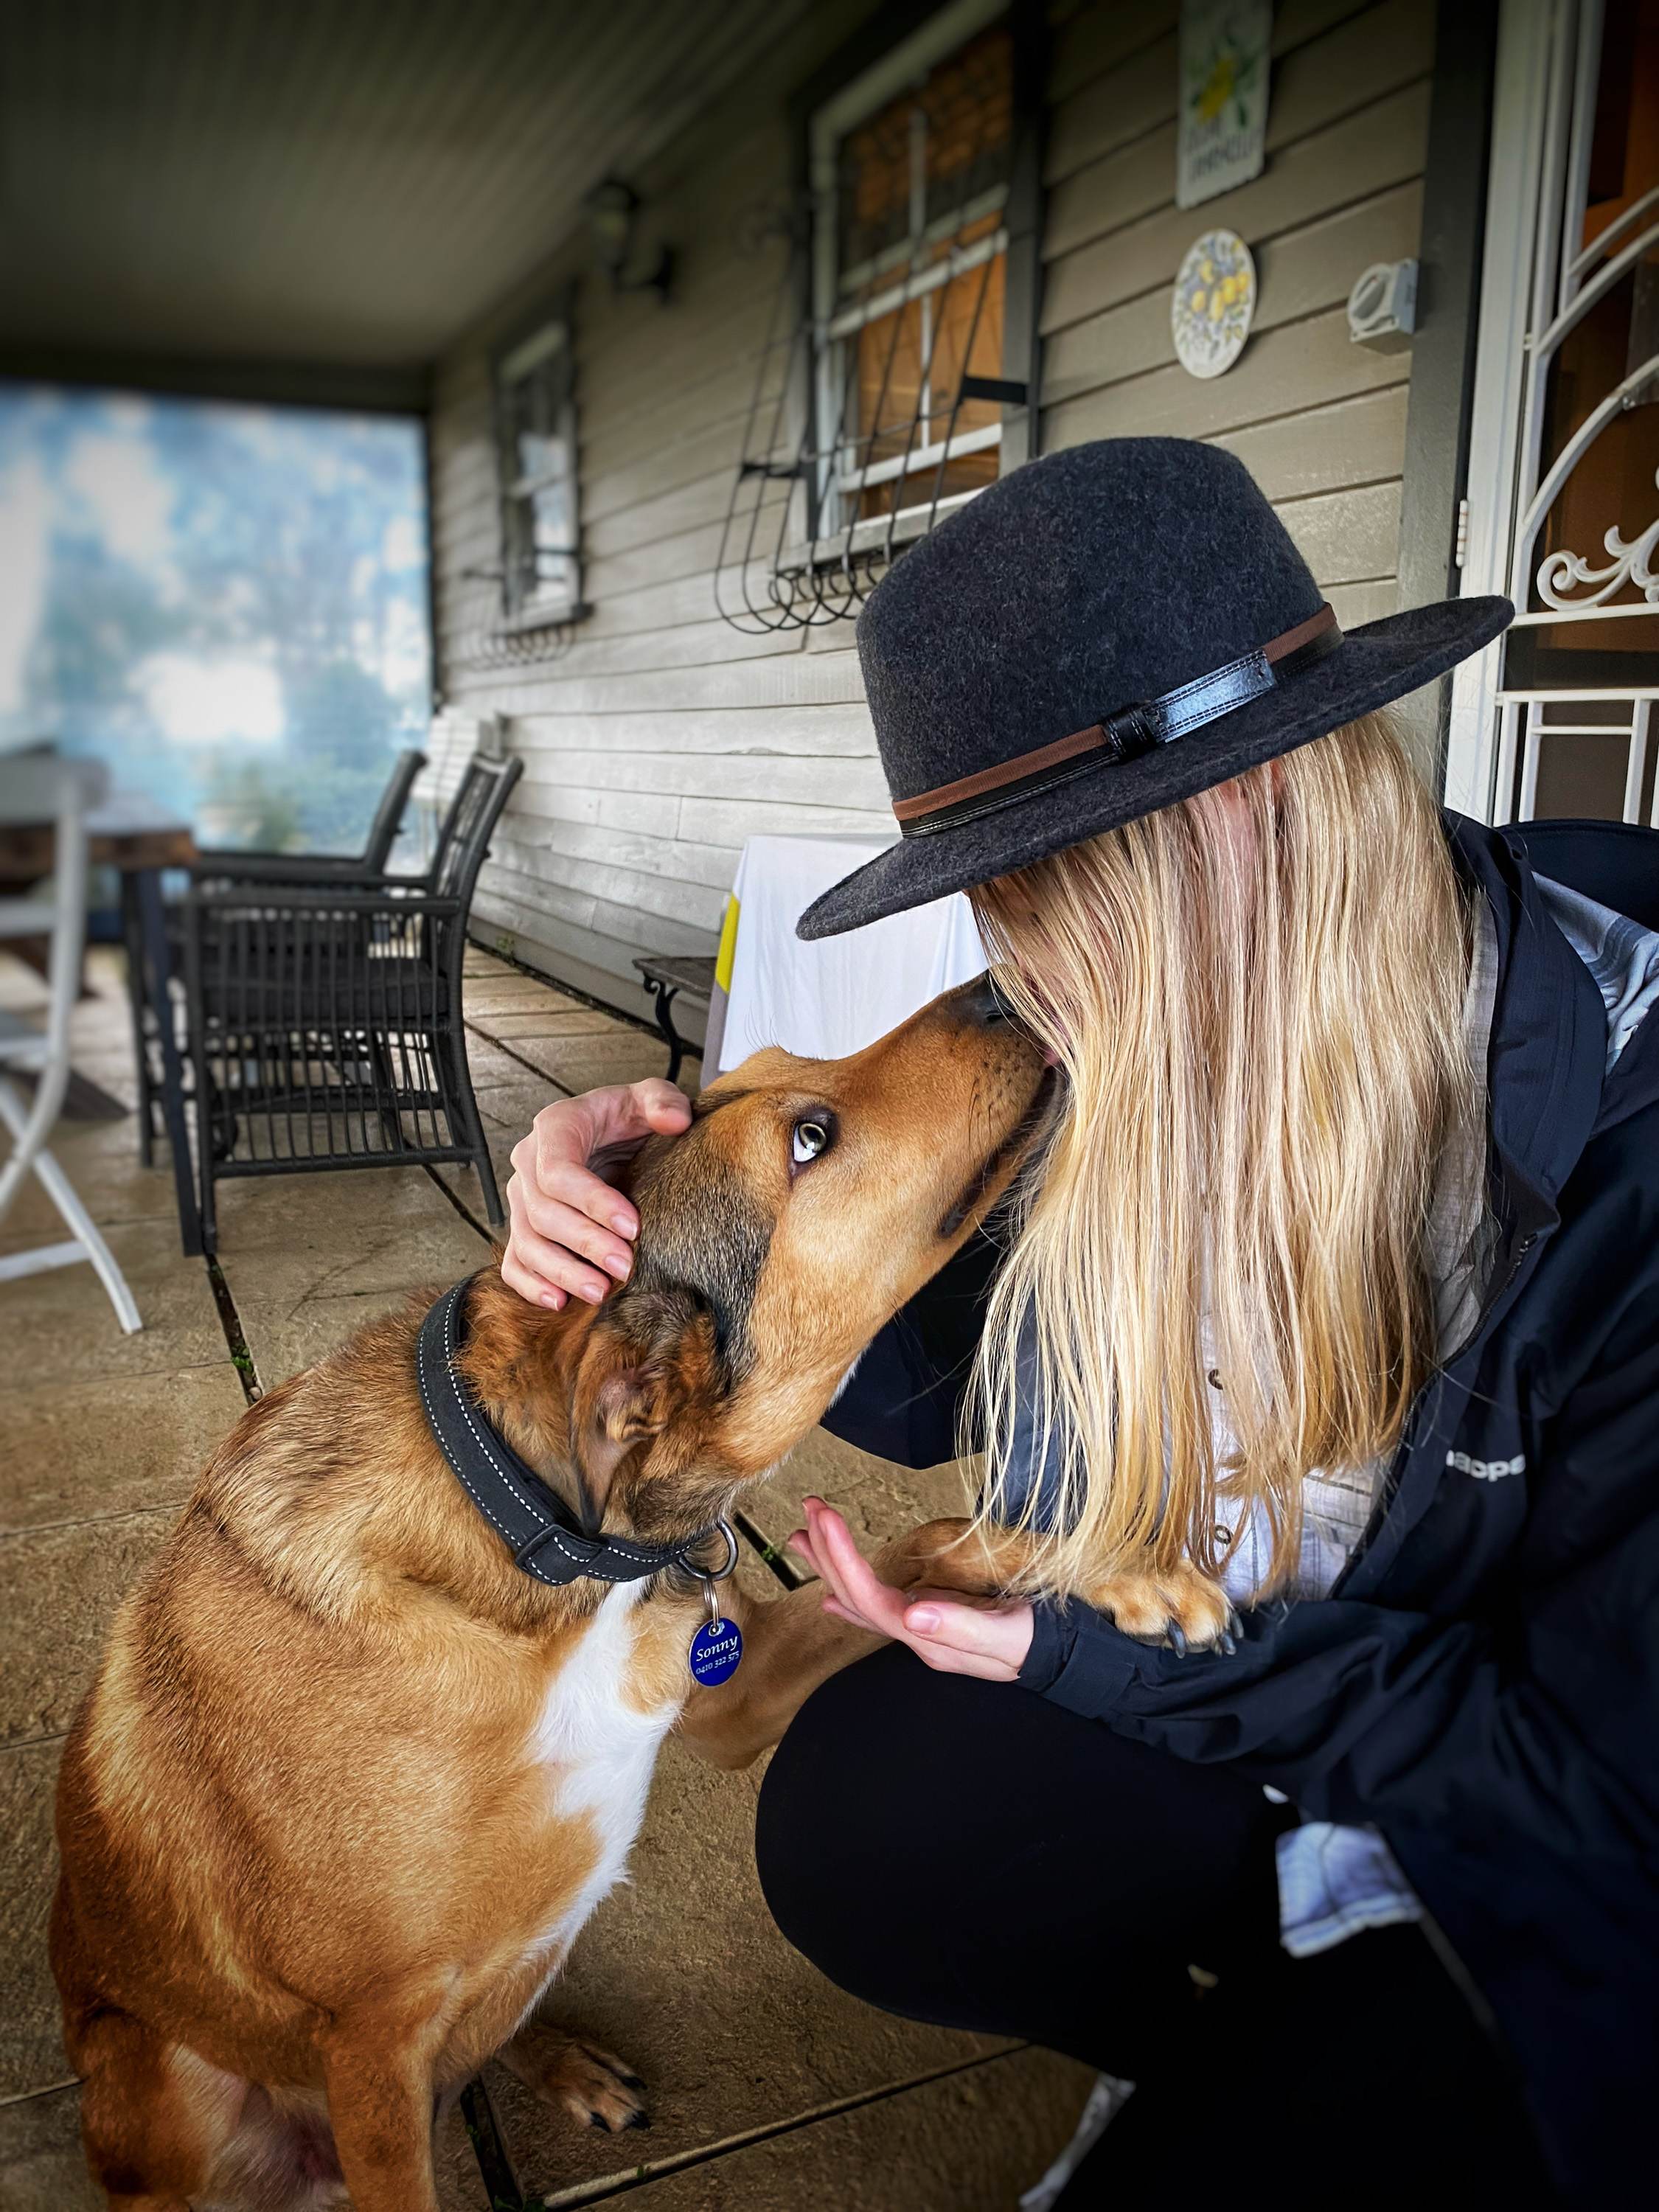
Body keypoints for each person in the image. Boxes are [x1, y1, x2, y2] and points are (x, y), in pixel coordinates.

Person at [500, 442, 1659, 2208]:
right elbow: (910, 1382)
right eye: (992, 892)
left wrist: (1102, 1658)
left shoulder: (1624, 1125)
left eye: (1040, 891)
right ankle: (1197, 2035)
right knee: (866, 1831)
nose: (1012, 972)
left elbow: (1587, 1787)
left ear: (1252, 806)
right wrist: (634, 1234)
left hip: (1490, 1822)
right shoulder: (1133, 1014)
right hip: (1211, 1695)